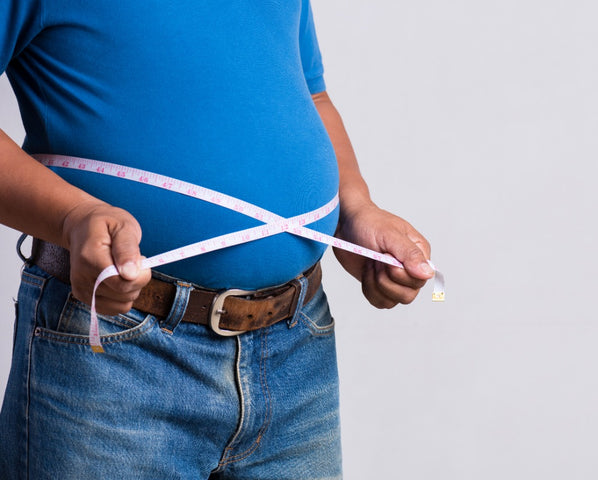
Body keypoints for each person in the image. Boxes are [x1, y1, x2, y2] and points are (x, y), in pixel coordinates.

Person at [0, 1, 434, 478]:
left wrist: (355, 207)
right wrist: (72, 216)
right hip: (117, 351)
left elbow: (311, 95)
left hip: (297, 343)